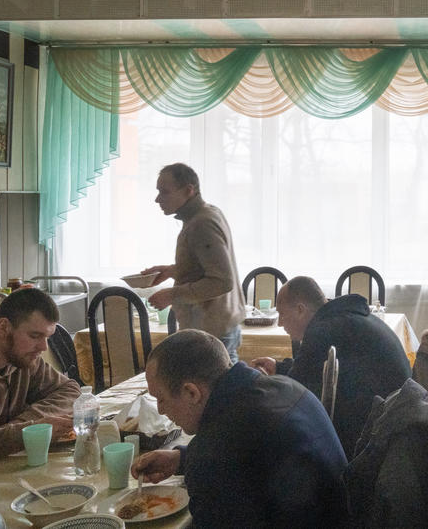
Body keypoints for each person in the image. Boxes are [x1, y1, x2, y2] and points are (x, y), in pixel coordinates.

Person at [132, 329, 347, 528]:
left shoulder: (213, 454)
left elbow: (229, 455)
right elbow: (255, 455)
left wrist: (197, 459)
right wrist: (180, 459)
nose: (160, 411)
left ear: (191, 393)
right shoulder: (286, 386)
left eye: (161, 399)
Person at [249, 276, 411, 458]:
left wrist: (260, 381)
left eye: (282, 314)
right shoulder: (343, 317)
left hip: (379, 436)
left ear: (300, 310)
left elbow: (294, 392)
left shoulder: (322, 330)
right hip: (399, 419)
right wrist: (279, 368)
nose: (280, 323)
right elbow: (314, 369)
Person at [142, 163, 246, 362]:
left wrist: (172, 294)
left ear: (189, 190)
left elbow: (221, 281)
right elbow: (206, 267)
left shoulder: (201, 223)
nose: (157, 199)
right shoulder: (208, 213)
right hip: (219, 327)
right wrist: (173, 271)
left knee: (216, 392)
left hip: (213, 332)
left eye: (164, 192)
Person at [0, 288, 80, 464]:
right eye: (35, 336)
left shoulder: (23, 360)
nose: (44, 348)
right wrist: (23, 433)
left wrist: (24, 426)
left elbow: (70, 390)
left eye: (47, 337)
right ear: (4, 327)